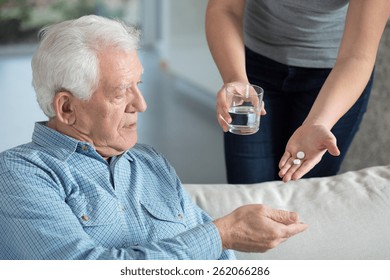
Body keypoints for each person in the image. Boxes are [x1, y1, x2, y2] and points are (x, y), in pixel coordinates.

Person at [0, 15, 307, 260]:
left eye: (139, 85)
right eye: (121, 91)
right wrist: (220, 234)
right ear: (66, 108)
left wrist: (220, 240)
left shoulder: (150, 163)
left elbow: (218, 257)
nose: (141, 104)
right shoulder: (20, 173)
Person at [205, 0, 390, 184]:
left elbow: (357, 56)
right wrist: (235, 78)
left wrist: (319, 122)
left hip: (335, 78)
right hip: (253, 64)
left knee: (307, 190)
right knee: (248, 188)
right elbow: (224, 8)